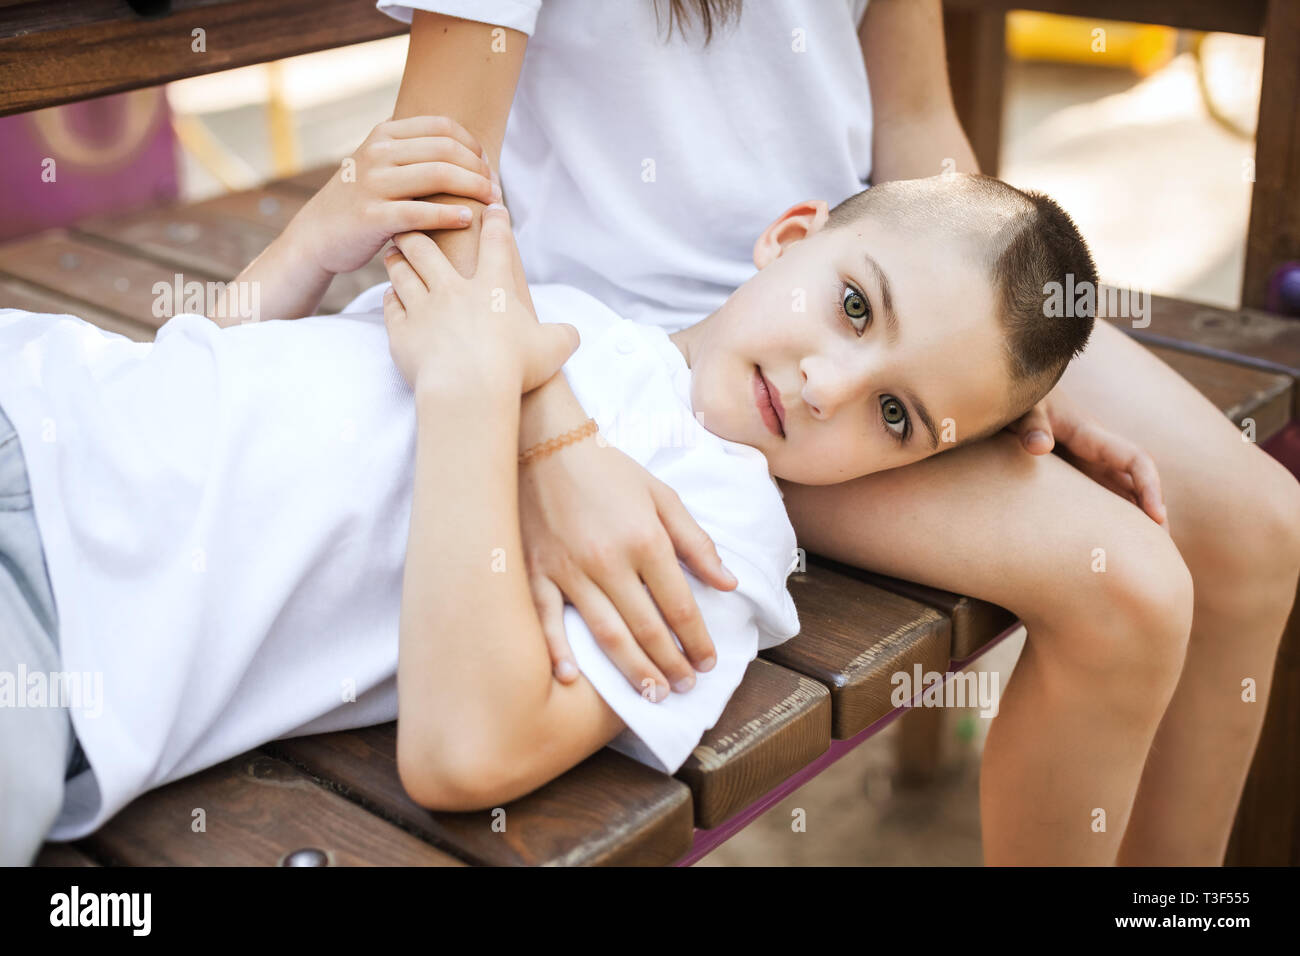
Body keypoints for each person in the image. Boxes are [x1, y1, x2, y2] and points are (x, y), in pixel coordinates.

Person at [0, 116, 1094, 861]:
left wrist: (476, 389)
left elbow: (465, 753)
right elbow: (200, 381)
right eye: (855, 306)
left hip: (67, 635)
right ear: (790, 237)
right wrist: (304, 250)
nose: (827, 386)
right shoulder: (568, 301)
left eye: (896, 416)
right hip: (41, 393)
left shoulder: (723, 540)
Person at [378, 0, 1300, 865]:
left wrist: (1003, 372)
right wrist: (550, 435)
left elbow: (919, 131)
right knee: (1131, 592)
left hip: (866, 286)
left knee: (1262, 527)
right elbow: (433, 180)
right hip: (629, 341)